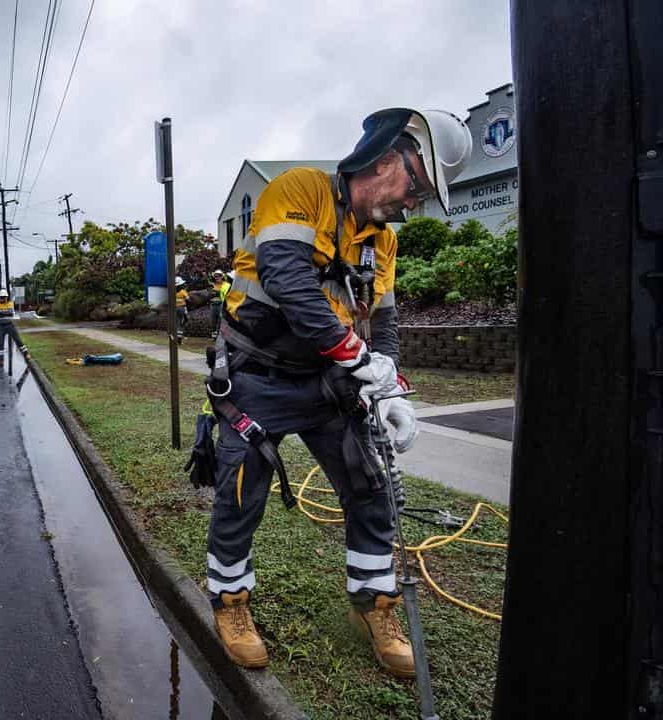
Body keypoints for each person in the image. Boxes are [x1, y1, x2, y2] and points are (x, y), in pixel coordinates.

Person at [203, 108, 471, 678]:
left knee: (370, 489)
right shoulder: (299, 190)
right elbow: (287, 280)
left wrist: (391, 387)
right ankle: (231, 604)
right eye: (417, 188)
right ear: (384, 161)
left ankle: (373, 606)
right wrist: (356, 357)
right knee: (241, 495)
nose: (414, 204)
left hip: (327, 385)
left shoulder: (383, 242)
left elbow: (387, 323)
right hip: (258, 377)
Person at [0, 288, 27, 366]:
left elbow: (10, 312)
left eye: (4, 297)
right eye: (1, 297)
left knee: (18, 340)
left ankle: (26, 355)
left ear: (6, 297)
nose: (2, 298)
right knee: (0, 343)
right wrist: (4, 312)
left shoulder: (10, 303)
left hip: (10, 325)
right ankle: (0, 360)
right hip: (0, 327)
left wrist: (1, 312)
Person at [209, 270, 232, 338]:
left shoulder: (226, 285)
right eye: (216, 276)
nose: (217, 277)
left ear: (222, 276)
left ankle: (219, 335)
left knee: (220, 320)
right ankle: (214, 336)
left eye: (219, 276)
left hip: (221, 304)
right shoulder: (212, 285)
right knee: (213, 320)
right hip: (213, 305)